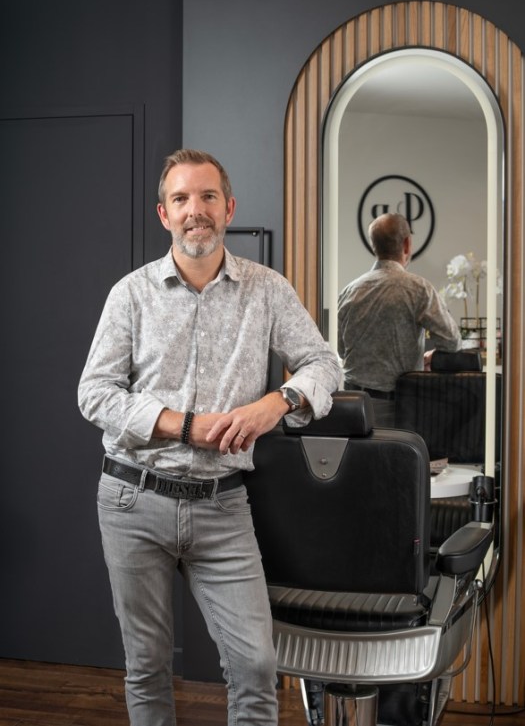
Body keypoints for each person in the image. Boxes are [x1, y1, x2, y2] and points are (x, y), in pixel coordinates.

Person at [78, 148, 341, 726]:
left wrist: (277, 402)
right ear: (164, 214)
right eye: (181, 199)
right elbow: (94, 393)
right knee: (147, 667)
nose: (194, 210)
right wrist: (182, 424)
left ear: (229, 208)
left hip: (223, 505)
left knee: (255, 666)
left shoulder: (267, 290)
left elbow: (325, 365)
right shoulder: (131, 294)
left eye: (207, 197)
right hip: (132, 499)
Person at [337, 212, 461, 425]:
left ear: (374, 246)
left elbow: (341, 350)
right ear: (407, 244)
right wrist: (431, 355)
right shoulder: (419, 290)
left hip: (352, 407)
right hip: (398, 409)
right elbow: (452, 342)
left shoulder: (349, 291)